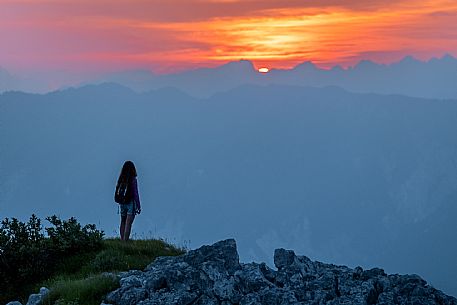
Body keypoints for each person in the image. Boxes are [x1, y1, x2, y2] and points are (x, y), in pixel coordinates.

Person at [116, 160, 141, 241]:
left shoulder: (121, 178)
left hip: (122, 202)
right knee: (128, 223)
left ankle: (122, 239)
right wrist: (138, 205)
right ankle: (125, 242)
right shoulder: (133, 179)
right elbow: (135, 193)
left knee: (122, 221)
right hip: (130, 202)